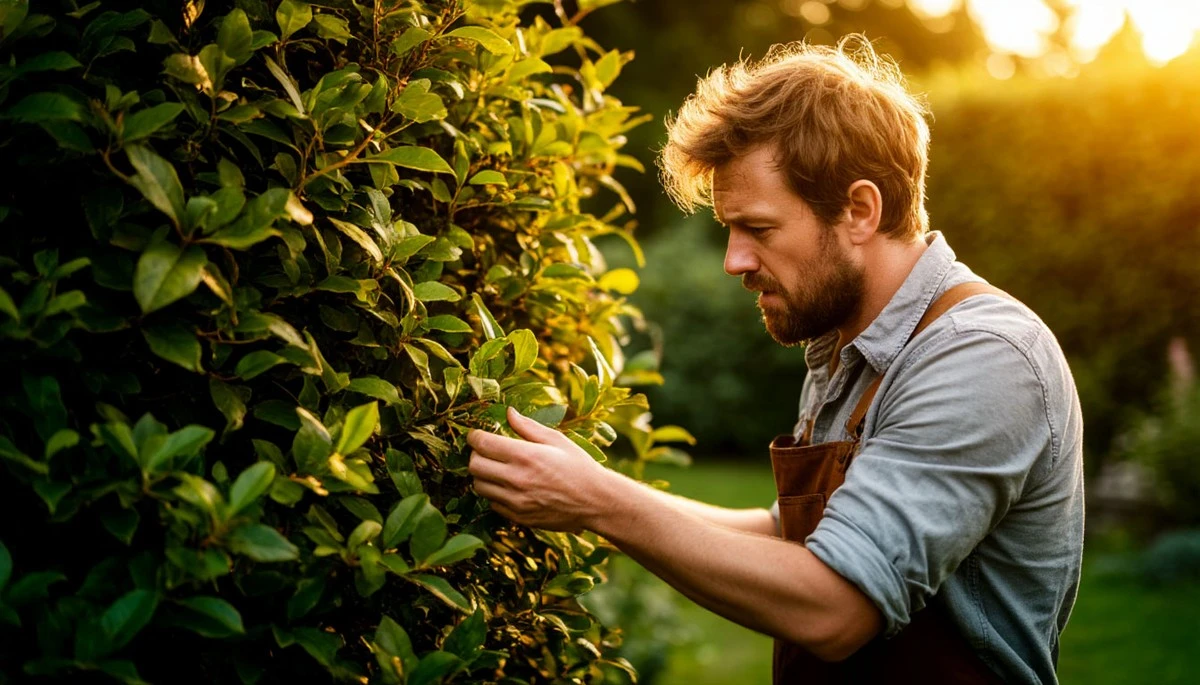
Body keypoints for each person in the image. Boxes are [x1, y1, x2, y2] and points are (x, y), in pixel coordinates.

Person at [467, 37, 1084, 684]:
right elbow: (785, 534)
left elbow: (836, 606)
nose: (733, 260)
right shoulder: (847, 343)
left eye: (758, 229)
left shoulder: (981, 357)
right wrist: (581, 484)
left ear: (860, 211)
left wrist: (599, 500)